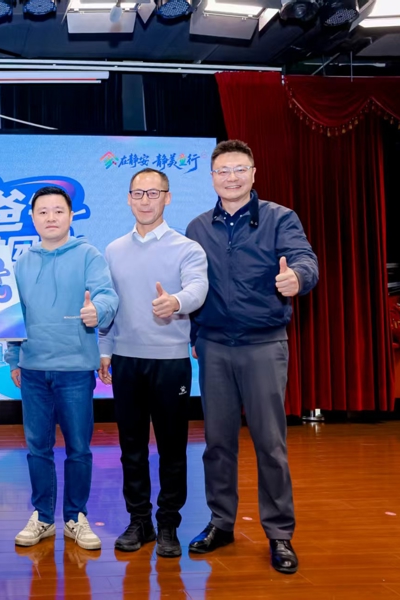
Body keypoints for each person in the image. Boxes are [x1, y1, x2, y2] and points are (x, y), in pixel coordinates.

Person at [185, 140, 318, 574]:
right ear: (212, 178)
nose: (232, 177)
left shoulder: (281, 218)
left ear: (254, 174)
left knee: (270, 444)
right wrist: (194, 336)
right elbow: (191, 285)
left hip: (263, 344)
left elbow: (305, 260)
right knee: (217, 443)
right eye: (223, 170)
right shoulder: (197, 227)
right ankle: (221, 523)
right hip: (214, 346)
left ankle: (279, 533)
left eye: (239, 169)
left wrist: (297, 277)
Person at [98, 168, 208, 558]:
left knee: (172, 447)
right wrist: (105, 350)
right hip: (126, 360)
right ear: (128, 199)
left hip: (170, 363)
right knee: (131, 447)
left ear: (168, 197)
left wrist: (175, 301)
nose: (145, 201)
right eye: (138, 193)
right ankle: (139, 521)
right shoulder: (113, 250)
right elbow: (109, 305)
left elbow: (198, 288)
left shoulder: (187, 248)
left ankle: (168, 524)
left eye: (153, 193)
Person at [5, 186, 119, 551]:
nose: (51, 217)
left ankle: (75, 517)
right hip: (33, 369)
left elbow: (107, 295)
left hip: (74, 369)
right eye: (43, 212)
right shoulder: (22, 261)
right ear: (32, 218)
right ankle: (42, 517)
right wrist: (14, 358)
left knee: (78, 448)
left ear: (70, 216)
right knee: (37, 448)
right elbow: (14, 314)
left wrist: (97, 310)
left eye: (58, 211)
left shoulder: (88, 255)